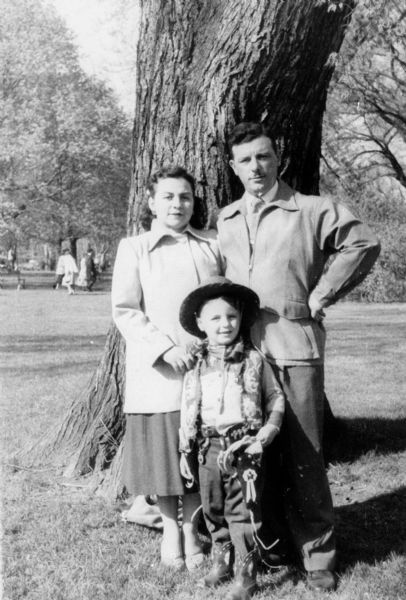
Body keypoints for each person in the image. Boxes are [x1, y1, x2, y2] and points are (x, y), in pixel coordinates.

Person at [217, 122, 381, 591]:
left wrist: (324, 292)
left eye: (263, 156)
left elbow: (363, 242)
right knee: (251, 459)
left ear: (278, 159)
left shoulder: (310, 209)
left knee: (305, 457)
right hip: (242, 359)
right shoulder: (226, 219)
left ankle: (318, 556)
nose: (255, 166)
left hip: (295, 350)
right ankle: (268, 547)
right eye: (245, 159)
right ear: (233, 167)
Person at [111, 165, 222, 571]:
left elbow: (222, 300)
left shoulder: (210, 244)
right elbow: (125, 310)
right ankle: (171, 530)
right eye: (169, 197)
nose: (178, 204)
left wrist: (209, 342)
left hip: (206, 367)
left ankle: (193, 530)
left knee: (195, 449)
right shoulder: (135, 248)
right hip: (158, 369)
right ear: (151, 201)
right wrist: (164, 348)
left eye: (186, 197)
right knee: (166, 454)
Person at [178, 276, 285, 600]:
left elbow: (275, 397)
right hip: (207, 448)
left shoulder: (254, 360)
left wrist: (266, 433)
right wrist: (186, 448)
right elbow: (187, 406)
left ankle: (246, 573)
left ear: (241, 320)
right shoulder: (195, 363)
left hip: (244, 448)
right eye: (215, 318)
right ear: (200, 323)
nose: (225, 324)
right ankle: (221, 562)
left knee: (242, 510)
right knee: (212, 507)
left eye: (232, 317)